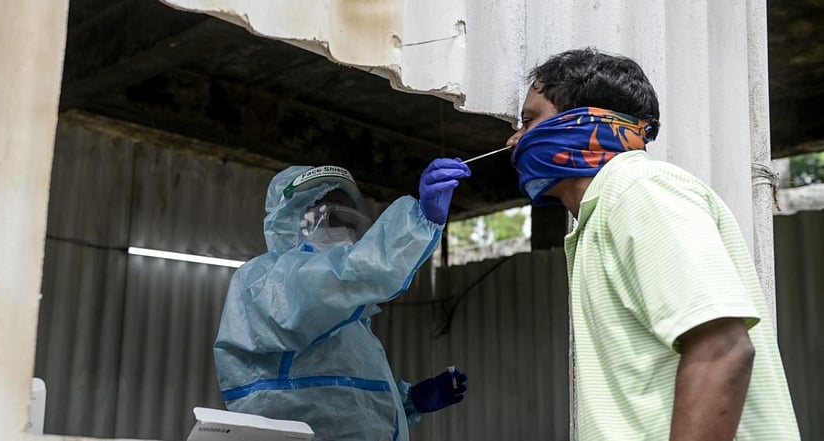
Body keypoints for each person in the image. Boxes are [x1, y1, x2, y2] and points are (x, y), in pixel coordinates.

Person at [507, 48, 800, 440]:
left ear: (583, 121)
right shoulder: (603, 214)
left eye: (529, 121)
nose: (514, 141)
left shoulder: (638, 190)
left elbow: (722, 350)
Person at [214, 161, 471, 440]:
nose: (347, 235)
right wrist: (417, 222)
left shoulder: (347, 317)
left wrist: (409, 402)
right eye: (333, 221)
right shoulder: (267, 281)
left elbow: (340, 402)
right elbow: (352, 273)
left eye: (351, 225)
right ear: (292, 221)